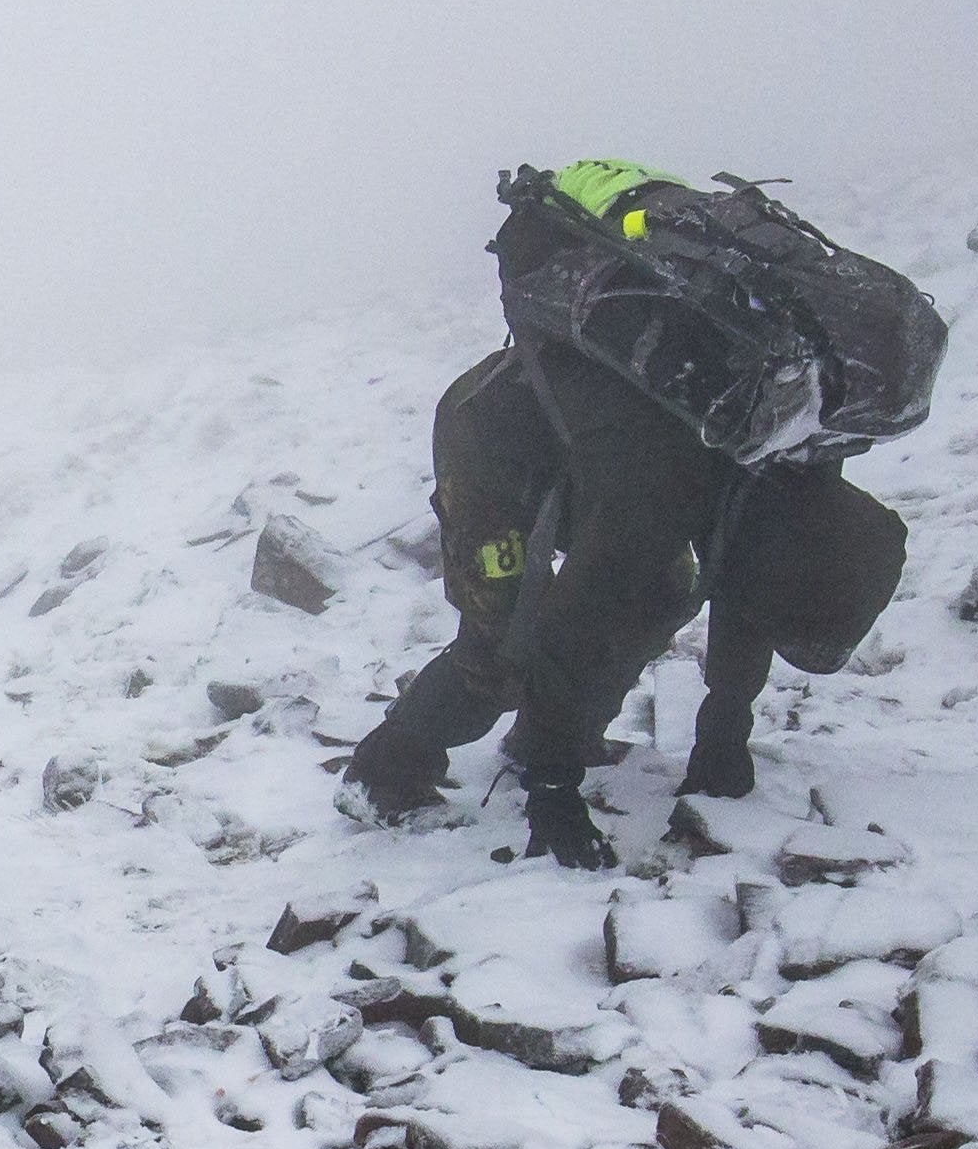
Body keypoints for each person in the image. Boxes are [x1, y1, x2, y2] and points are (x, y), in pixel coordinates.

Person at [344, 162, 923, 869]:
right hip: (488, 445)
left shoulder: (788, 446)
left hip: (599, 446)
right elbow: (577, 618)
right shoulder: (658, 488)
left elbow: (744, 602)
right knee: (502, 646)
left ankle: (545, 734)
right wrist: (553, 789)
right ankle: (382, 772)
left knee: (656, 597)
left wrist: (723, 735)